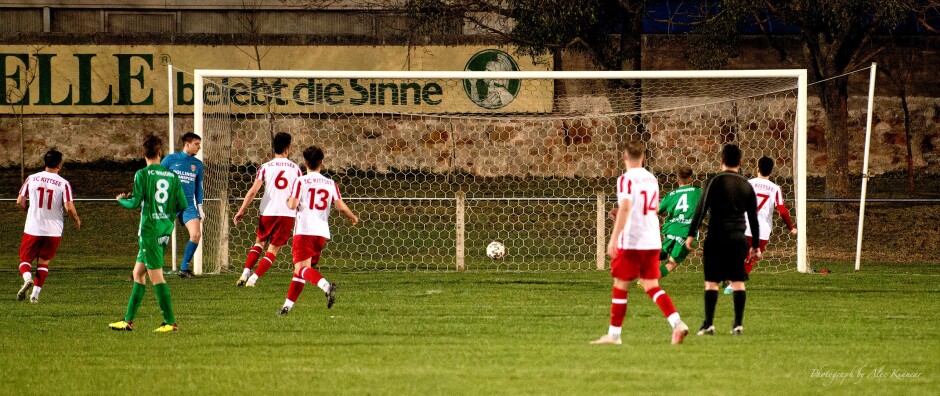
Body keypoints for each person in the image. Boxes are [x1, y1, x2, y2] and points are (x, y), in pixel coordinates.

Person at [592, 142, 689, 346]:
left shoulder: (625, 179)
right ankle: (677, 323)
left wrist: (613, 238)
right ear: (643, 157)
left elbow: (626, 207)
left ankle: (614, 335)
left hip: (633, 240)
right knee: (651, 285)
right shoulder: (651, 179)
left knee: (620, 284)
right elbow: (648, 208)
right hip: (652, 239)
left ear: (624, 157)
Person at [109, 135, 188, 332]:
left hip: (149, 231)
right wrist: (168, 218)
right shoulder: (172, 176)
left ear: (143, 154)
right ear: (160, 153)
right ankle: (128, 320)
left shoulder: (142, 174)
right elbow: (183, 204)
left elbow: (134, 203)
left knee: (156, 277)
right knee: (138, 274)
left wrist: (121, 200)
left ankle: (170, 322)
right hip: (163, 229)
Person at [686, 144, 761, 336]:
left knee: (711, 282)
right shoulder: (746, 184)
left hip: (717, 237)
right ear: (740, 162)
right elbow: (753, 218)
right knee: (738, 281)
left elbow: (701, 209)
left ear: (722, 161)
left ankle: (709, 324)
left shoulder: (714, 181)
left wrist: (691, 233)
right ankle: (738, 325)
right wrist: (755, 246)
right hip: (738, 239)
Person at [278, 146, 358, 315]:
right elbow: (340, 205)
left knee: (301, 269)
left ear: (305, 163)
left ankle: (326, 286)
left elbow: (292, 205)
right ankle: (286, 307)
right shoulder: (330, 183)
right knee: (301, 271)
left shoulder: (300, 181)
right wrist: (352, 216)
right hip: (321, 233)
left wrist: (287, 200)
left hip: (304, 230)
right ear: (321, 163)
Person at [233, 132, 302, 287]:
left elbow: (252, 191)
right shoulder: (296, 169)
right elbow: (298, 194)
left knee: (259, 243)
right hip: (286, 213)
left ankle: (245, 272)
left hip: (267, 212)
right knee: (273, 250)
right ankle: (253, 279)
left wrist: (242, 209)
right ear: (287, 148)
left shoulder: (265, 167)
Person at [724, 156, 798, 294]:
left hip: (744, 226)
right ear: (771, 171)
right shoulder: (775, 188)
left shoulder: (748, 183)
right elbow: (782, 210)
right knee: (751, 258)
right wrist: (791, 227)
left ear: (757, 168)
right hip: (762, 230)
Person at [15, 149, 81, 303]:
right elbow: (69, 207)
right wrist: (76, 219)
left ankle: (27, 279)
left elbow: (20, 201)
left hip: (33, 227)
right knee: (44, 262)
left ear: (44, 163)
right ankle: (35, 296)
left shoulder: (32, 178)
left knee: (25, 259)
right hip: (53, 230)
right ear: (60, 164)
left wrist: (28, 210)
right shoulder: (64, 183)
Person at [161, 132, 204, 278]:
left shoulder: (198, 165)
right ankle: (144, 267)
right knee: (157, 236)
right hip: (169, 204)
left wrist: (200, 207)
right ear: (187, 144)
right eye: (196, 144)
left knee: (196, 234)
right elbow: (157, 179)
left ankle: (184, 269)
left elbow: (199, 187)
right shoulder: (170, 160)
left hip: (188, 205)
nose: (199, 147)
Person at [657, 166, 702, 278]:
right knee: (672, 262)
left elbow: (657, 210)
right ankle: (647, 279)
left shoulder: (671, 195)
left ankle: (639, 263)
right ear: (691, 179)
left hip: (671, 230)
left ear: (677, 179)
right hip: (686, 233)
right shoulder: (699, 192)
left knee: (661, 254)